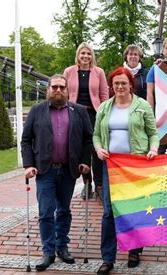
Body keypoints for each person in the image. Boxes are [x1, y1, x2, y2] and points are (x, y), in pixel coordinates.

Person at [21, 74, 92, 272]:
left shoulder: (78, 111)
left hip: (69, 170)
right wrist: (28, 165)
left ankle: (62, 247)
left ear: (68, 90)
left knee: (64, 211)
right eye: (55, 87)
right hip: (45, 171)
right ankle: (48, 251)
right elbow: (26, 140)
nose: (58, 90)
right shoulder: (37, 111)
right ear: (48, 90)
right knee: (45, 213)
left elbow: (88, 138)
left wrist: (86, 162)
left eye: (62, 87)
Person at [93, 67, 159, 275]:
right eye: (116, 83)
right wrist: (98, 148)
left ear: (131, 84)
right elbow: (96, 134)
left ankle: (134, 250)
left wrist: (153, 148)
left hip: (135, 165)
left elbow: (153, 133)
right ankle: (108, 258)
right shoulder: (104, 107)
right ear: (111, 86)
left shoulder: (142, 106)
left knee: (134, 209)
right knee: (109, 212)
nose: (120, 87)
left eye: (123, 83)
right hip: (111, 165)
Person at [63, 42, 109, 201]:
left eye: (88, 54)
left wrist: (104, 114)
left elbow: (104, 95)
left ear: (92, 56)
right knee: (80, 150)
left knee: (97, 151)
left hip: (94, 114)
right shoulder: (69, 72)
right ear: (78, 55)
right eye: (83, 53)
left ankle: (100, 185)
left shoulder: (99, 72)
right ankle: (87, 183)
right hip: (75, 114)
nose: (85, 56)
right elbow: (65, 95)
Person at [146, 35, 167, 155]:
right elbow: (149, 92)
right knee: (159, 149)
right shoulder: (156, 68)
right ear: (163, 50)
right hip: (161, 117)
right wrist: (151, 115)